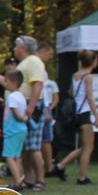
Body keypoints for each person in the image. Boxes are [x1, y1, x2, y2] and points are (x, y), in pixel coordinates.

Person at [55, 49, 98, 184]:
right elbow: (90, 97)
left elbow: (71, 92)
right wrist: (97, 117)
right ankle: (82, 177)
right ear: (93, 62)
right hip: (84, 113)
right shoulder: (88, 77)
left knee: (84, 146)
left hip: (75, 113)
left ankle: (60, 166)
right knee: (88, 148)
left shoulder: (75, 75)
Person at [13, 35, 48, 189]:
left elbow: (37, 84)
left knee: (33, 146)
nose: (14, 49)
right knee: (26, 147)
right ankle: (29, 179)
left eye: (17, 46)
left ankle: (40, 180)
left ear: (24, 48)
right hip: (25, 105)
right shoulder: (25, 63)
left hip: (31, 106)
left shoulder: (33, 61)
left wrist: (31, 106)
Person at [0, 70, 28, 190]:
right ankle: (19, 179)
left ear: (14, 82)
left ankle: (18, 182)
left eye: (7, 81)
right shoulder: (21, 96)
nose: (5, 84)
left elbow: (16, 114)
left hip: (12, 131)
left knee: (9, 157)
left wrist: (22, 118)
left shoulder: (11, 97)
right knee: (17, 157)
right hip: (21, 130)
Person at [39, 41, 60, 176]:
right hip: (43, 105)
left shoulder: (40, 67)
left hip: (44, 105)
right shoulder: (39, 67)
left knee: (45, 139)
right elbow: (41, 90)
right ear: (44, 50)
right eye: (50, 53)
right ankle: (48, 167)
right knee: (46, 139)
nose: (50, 57)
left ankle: (47, 166)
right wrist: (47, 110)